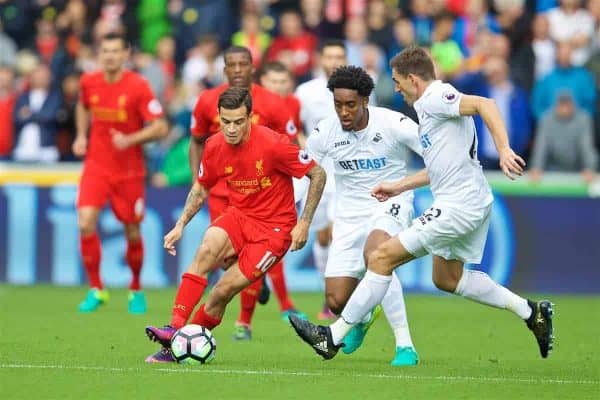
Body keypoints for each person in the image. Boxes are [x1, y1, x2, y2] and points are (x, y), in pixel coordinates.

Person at [289, 46, 555, 361]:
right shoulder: (429, 114)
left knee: (381, 257)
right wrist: (397, 184)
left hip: (458, 205)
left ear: (414, 80)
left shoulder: (433, 98)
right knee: (447, 278)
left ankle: (332, 337)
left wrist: (504, 149)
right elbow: (438, 166)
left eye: (399, 83)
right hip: (472, 200)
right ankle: (531, 312)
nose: (397, 89)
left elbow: (486, 104)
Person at [144, 87, 326, 362]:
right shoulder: (215, 145)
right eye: (225, 121)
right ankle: (174, 329)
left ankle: (180, 345)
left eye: (238, 122)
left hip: (274, 230)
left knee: (222, 292)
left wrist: (304, 222)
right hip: (239, 215)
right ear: (218, 117)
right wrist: (180, 224)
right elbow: (201, 188)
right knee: (206, 250)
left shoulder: (274, 144)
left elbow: (318, 174)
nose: (231, 129)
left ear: (250, 117)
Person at [305, 65, 422, 366]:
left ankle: (405, 345)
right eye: (338, 104)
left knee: (378, 255)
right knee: (335, 300)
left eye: (350, 105)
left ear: (366, 101)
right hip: (348, 215)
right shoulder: (325, 131)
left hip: (390, 204)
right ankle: (364, 316)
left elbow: (437, 154)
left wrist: (403, 185)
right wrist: (301, 221)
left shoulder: (393, 123)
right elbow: (305, 174)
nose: (343, 112)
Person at [189, 45, 300, 340]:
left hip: (257, 197)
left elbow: (292, 146)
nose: (237, 70)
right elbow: (197, 141)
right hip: (222, 193)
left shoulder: (273, 103)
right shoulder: (209, 101)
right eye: (232, 64)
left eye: (243, 64)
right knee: (223, 259)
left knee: (246, 260)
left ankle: (243, 322)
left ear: (253, 68)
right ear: (224, 69)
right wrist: (197, 181)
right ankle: (187, 323)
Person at [73, 32, 168, 314]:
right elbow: (82, 104)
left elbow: (160, 127)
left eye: (115, 51)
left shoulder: (139, 86)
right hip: (97, 165)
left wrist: (130, 140)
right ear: (99, 53)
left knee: (132, 230)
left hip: (128, 171)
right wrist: (81, 135)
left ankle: (136, 287)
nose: (110, 56)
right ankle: (96, 289)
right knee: (85, 222)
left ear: (126, 54)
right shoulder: (89, 81)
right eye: (105, 50)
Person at [294, 39, 347, 320]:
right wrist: (308, 148)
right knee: (323, 236)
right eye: (329, 56)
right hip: (317, 172)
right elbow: (293, 126)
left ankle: (340, 296)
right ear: (321, 59)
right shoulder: (306, 92)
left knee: (339, 233)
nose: (334, 61)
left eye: (339, 56)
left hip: (347, 173)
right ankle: (328, 295)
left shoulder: (358, 89)